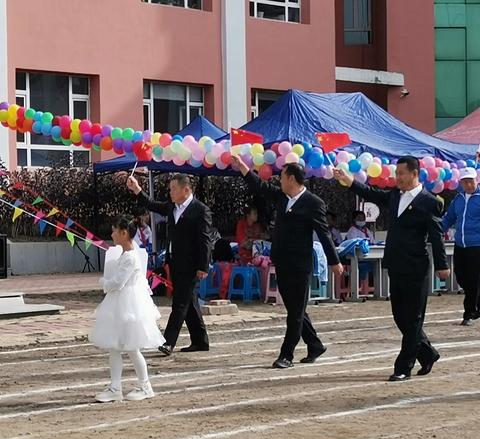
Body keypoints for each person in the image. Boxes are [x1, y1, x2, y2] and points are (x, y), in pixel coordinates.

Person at [333, 156, 450, 381]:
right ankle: (427, 353)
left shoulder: (429, 201)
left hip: (416, 265)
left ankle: (403, 366)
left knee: (414, 317)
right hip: (396, 263)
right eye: (396, 173)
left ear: (415, 174)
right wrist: (349, 181)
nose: (398, 177)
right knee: (400, 315)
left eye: (402, 173)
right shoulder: (395, 195)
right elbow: (371, 193)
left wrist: (442, 265)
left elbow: (436, 236)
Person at [231, 155, 343, 369]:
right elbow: (260, 186)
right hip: (281, 261)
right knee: (294, 308)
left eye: (281, 176)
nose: (278, 180)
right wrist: (243, 168)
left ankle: (287, 355)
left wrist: (334, 261)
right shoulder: (282, 197)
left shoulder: (313, 203)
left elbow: (324, 233)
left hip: (300, 264)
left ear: (291, 179)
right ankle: (315, 344)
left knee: (295, 311)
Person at [126, 174, 212, 355]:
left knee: (180, 302)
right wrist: (137, 190)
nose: (170, 192)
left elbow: (205, 240)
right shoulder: (172, 207)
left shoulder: (200, 210)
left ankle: (168, 342)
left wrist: (203, 266)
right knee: (189, 301)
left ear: (186, 190)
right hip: (174, 261)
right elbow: (152, 204)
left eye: (173, 189)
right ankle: (200, 340)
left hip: (191, 264)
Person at [90, 216, 165, 402]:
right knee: (114, 346)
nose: (112, 234)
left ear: (124, 233)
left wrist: (103, 282)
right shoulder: (125, 254)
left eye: (115, 230)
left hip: (128, 304)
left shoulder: (131, 256)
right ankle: (115, 387)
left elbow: (118, 283)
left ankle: (145, 385)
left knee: (131, 347)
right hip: (120, 303)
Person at [442, 167, 480, 326]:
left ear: (476, 180)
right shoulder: (457, 199)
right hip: (460, 245)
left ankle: (470, 312)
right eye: (465, 181)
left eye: (470, 180)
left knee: (473, 279)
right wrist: (434, 231)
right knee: (461, 276)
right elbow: (448, 218)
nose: (468, 184)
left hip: (477, 245)